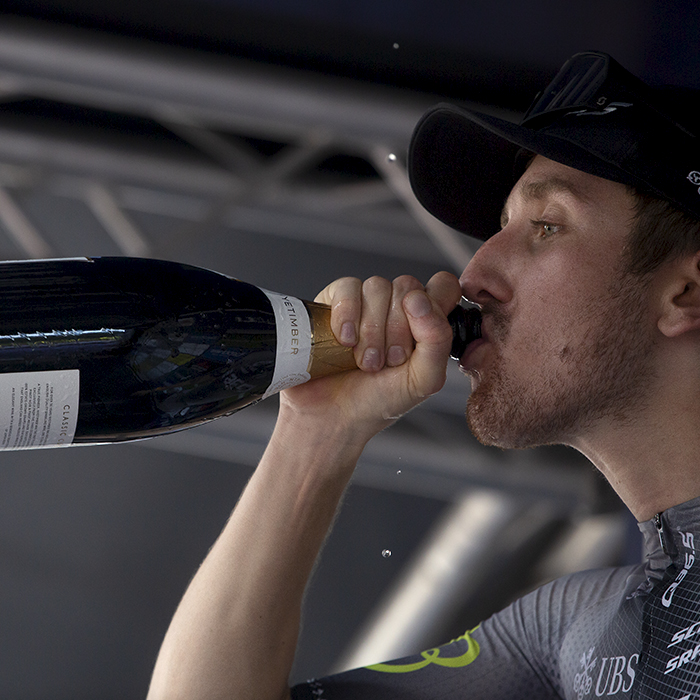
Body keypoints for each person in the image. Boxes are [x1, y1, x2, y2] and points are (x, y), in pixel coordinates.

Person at [146, 51, 700, 699]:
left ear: (686, 292)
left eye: (546, 226)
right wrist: (315, 435)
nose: (473, 275)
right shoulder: (575, 631)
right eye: (502, 228)